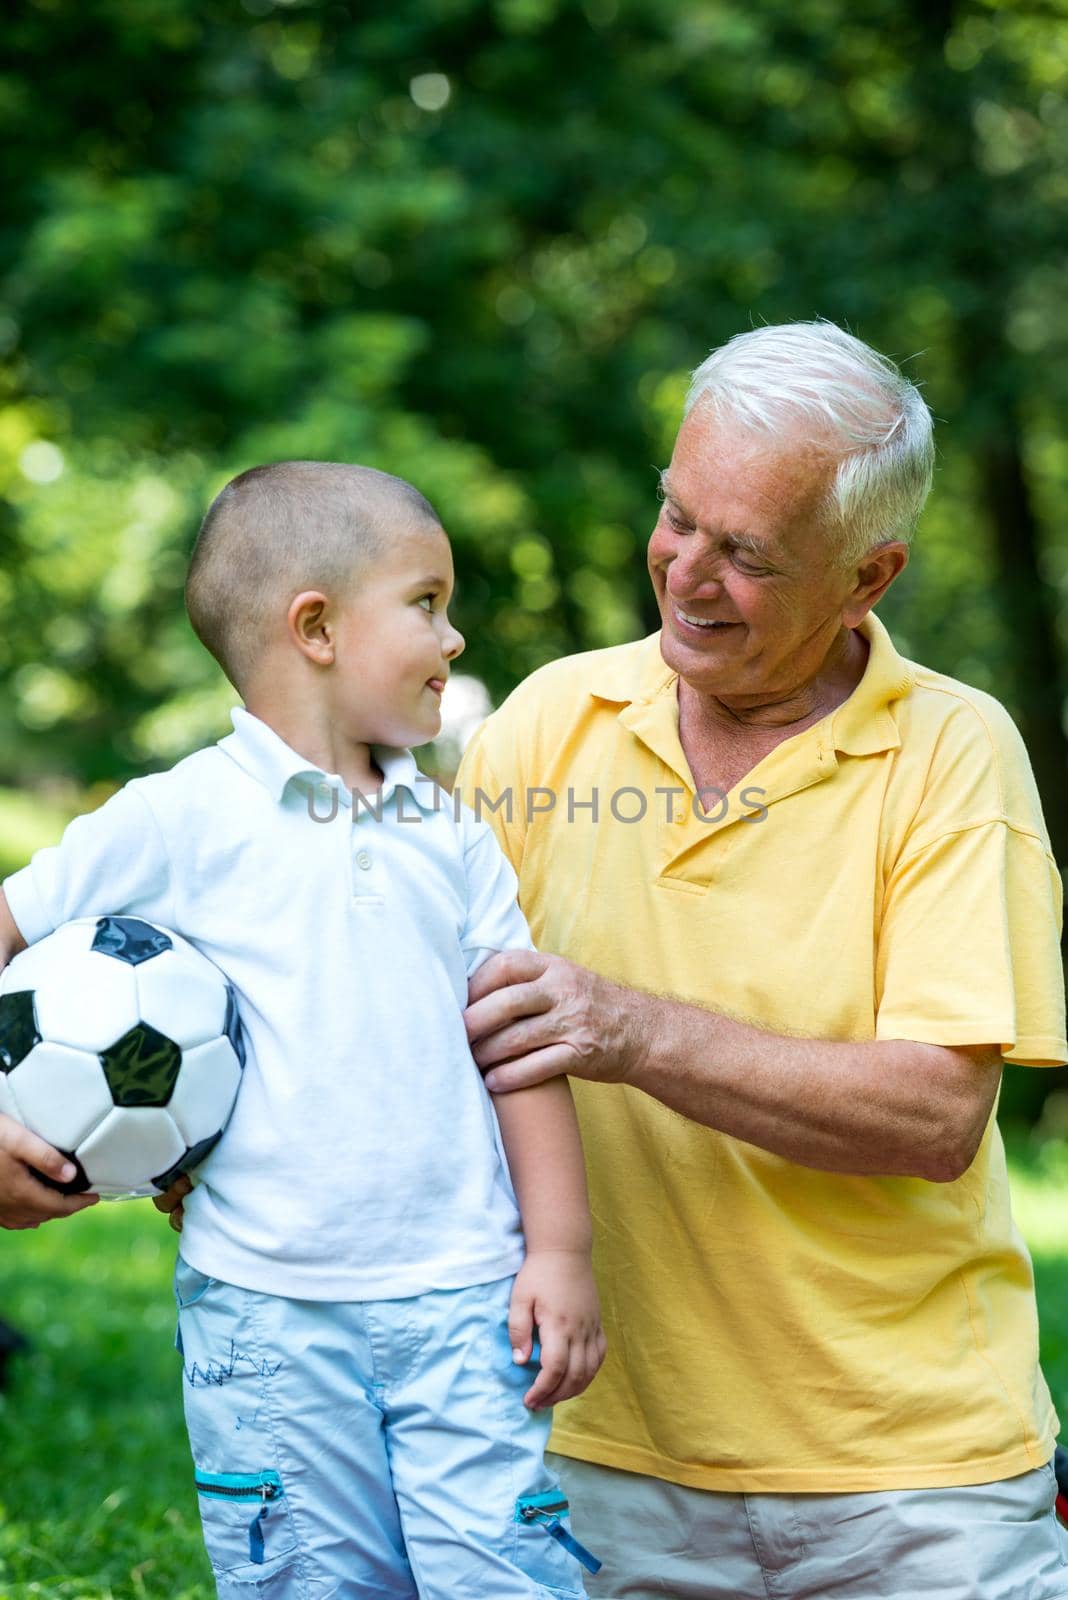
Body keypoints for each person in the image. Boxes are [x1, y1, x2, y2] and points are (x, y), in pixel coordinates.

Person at [457, 322, 1068, 1599]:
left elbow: (935, 1111)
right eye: (678, 516)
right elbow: (415, 1029)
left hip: (914, 1477)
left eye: (747, 554)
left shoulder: (956, 755)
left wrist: (628, 1030)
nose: (686, 572)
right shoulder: (546, 725)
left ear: (867, 575)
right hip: (597, 1449)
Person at [0, 462, 605, 1598]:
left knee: (507, 1576)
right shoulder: (178, 815)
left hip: (465, 1304)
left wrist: (562, 1251)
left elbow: (521, 1051)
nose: (456, 636)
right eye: (427, 602)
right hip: (262, 1318)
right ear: (316, 627)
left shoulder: (455, 837)